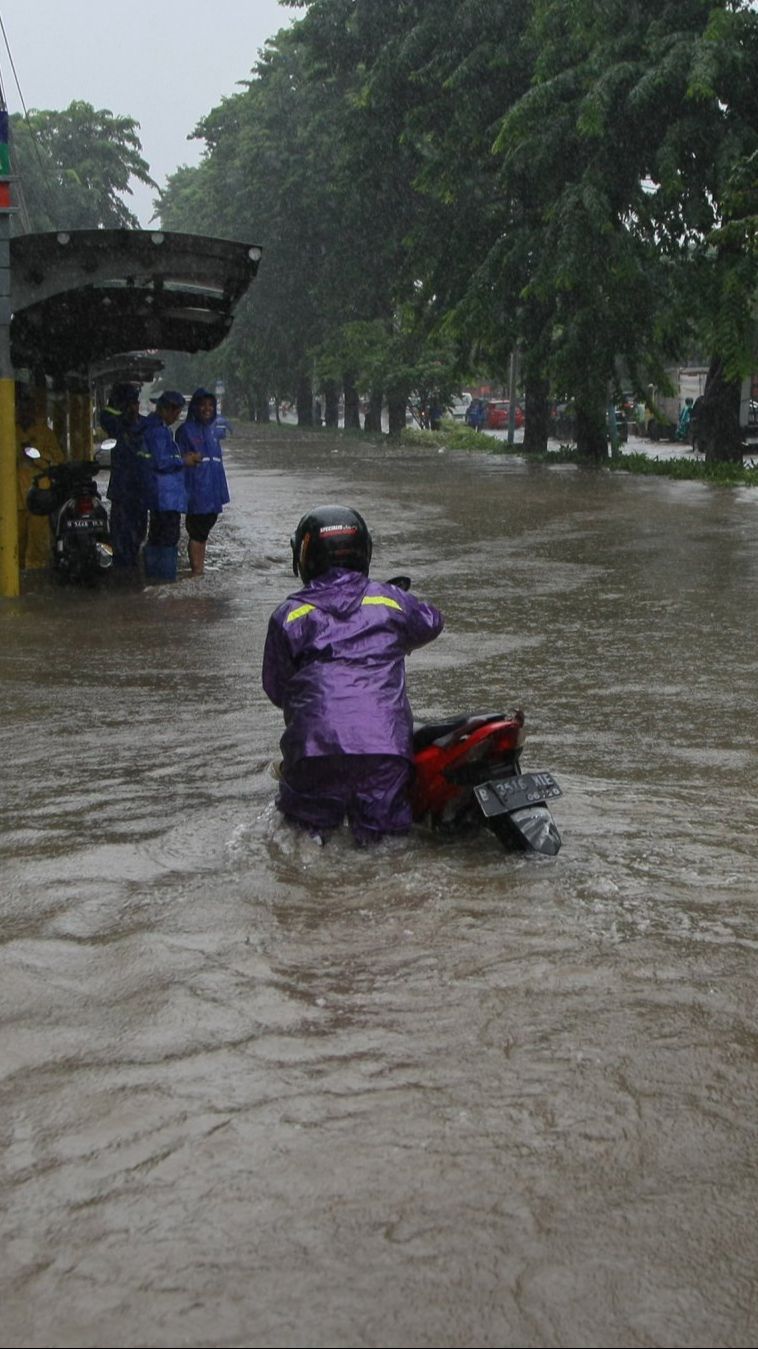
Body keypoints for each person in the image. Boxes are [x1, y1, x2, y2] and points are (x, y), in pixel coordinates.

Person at [262, 505, 444, 843]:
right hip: (385, 748)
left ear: (304, 556)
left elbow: (277, 688)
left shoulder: (289, 616)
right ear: (364, 551)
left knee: (306, 840)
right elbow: (432, 622)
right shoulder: (390, 602)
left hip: (312, 751)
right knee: (384, 845)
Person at [137, 390, 194, 581]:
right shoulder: (157, 431)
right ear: (166, 410)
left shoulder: (158, 428)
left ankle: (156, 578)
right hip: (164, 497)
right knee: (167, 539)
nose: (176, 417)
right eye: (175, 412)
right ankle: (164, 579)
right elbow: (162, 461)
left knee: (159, 537)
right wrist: (184, 460)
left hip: (162, 496)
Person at [175, 387, 230, 577]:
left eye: (210, 405)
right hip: (197, 489)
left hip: (214, 489)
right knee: (197, 531)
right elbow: (179, 459)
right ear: (195, 408)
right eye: (203, 405)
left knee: (204, 530)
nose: (207, 409)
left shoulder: (214, 430)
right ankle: (197, 572)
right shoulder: (185, 431)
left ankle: (199, 570)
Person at [15, 384, 65, 569]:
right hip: (13, 498)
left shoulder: (44, 432)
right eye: (21, 408)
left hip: (39, 496)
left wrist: (38, 459)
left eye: (28, 408)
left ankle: (37, 577)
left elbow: (58, 460)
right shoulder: (8, 430)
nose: (24, 413)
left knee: (38, 544)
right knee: (15, 542)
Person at [99, 383, 147, 574]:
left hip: (140, 489)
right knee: (120, 533)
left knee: (139, 531)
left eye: (136, 402)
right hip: (121, 489)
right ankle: (123, 567)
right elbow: (106, 416)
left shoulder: (141, 424)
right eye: (131, 402)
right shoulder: (114, 422)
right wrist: (122, 406)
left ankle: (132, 564)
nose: (135, 406)